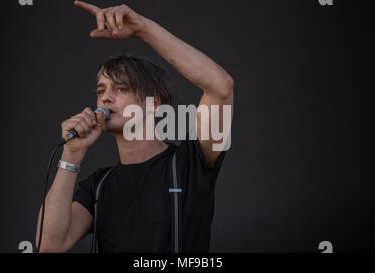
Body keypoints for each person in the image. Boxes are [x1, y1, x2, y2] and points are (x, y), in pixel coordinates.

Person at [35, 1, 234, 253]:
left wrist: (143, 29)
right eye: (101, 90)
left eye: (120, 88)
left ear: (154, 103)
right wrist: (71, 154)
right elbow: (47, 246)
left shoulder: (189, 163)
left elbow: (221, 86)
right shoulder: (99, 185)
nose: (105, 98)